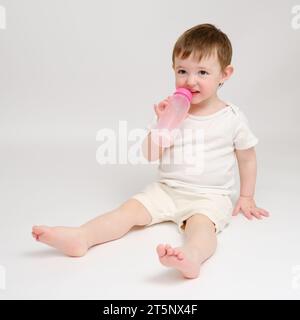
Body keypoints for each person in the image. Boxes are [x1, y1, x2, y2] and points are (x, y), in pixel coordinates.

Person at [32, 23, 269, 279]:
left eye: (202, 72)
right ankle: (82, 236)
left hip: (208, 196)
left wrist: (246, 196)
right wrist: (163, 124)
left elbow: (247, 158)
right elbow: (150, 154)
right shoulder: (173, 111)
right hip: (166, 189)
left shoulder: (231, 118)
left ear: (225, 74)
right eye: (182, 71)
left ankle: (192, 256)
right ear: (173, 70)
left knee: (202, 228)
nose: (191, 81)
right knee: (127, 211)